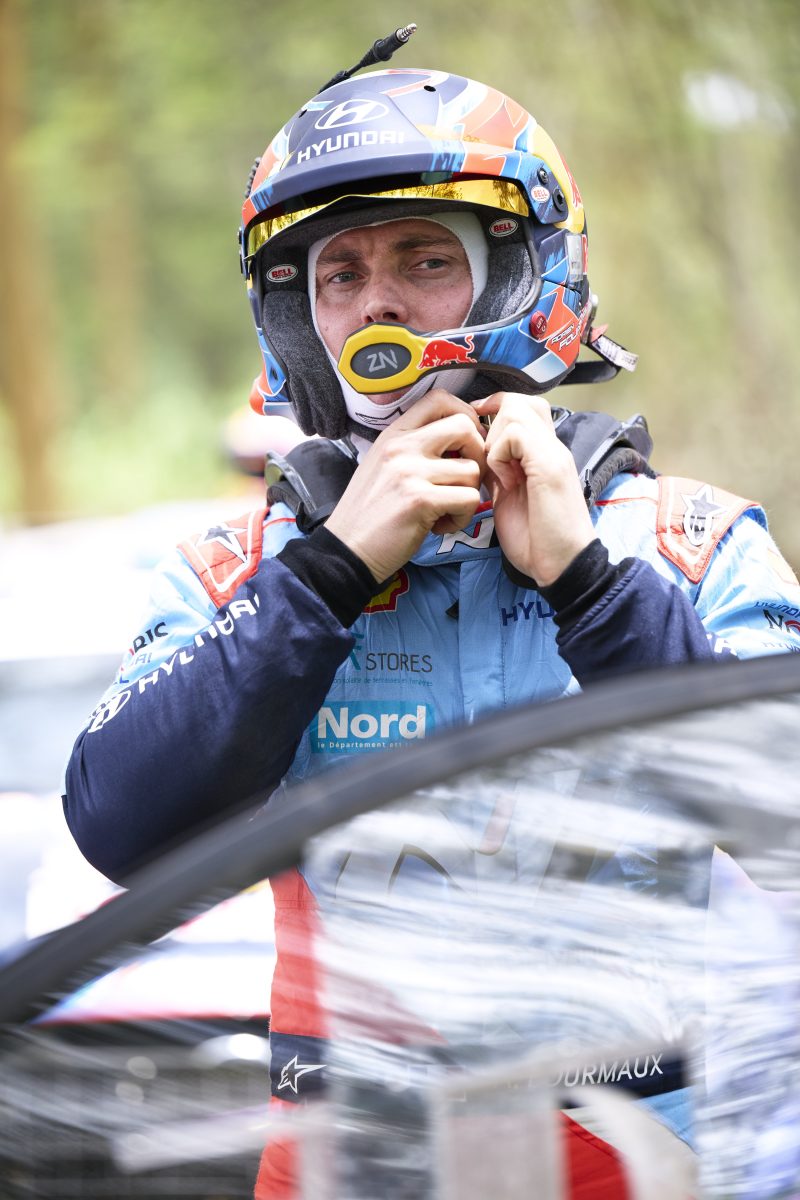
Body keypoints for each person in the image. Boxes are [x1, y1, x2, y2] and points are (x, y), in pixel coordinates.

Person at [63, 60, 800, 1198]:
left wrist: (591, 586)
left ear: (522, 275)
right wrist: (328, 574)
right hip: (352, 1166)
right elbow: (120, 830)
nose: (378, 303)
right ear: (296, 319)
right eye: (340, 274)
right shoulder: (242, 570)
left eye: (424, 260)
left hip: (656, 1159)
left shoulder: (688, 541)